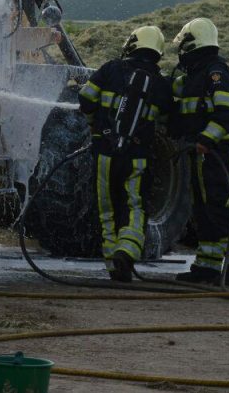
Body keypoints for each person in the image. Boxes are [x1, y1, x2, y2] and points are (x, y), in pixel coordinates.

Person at [78, 25, 173, 282]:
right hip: (138, 156)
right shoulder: (161, 84)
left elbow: (85, 98)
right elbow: (168, 121)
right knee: (134, 205)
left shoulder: (111, 68)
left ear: (132, 44)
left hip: (104, 154)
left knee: (106, 208)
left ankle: (113, 266)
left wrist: (93, 126)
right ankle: (127, 251)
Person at [169, 17, 229, 285]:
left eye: (183, 45)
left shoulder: (216, 73)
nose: (181, 51)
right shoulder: (196, 74)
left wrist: (206, 138)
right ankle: (207, 265)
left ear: (192, 42)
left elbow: (226, 114)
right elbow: (173, 93)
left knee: (219, 205)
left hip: (216, 150)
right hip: (200, 151)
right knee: (202, 209)